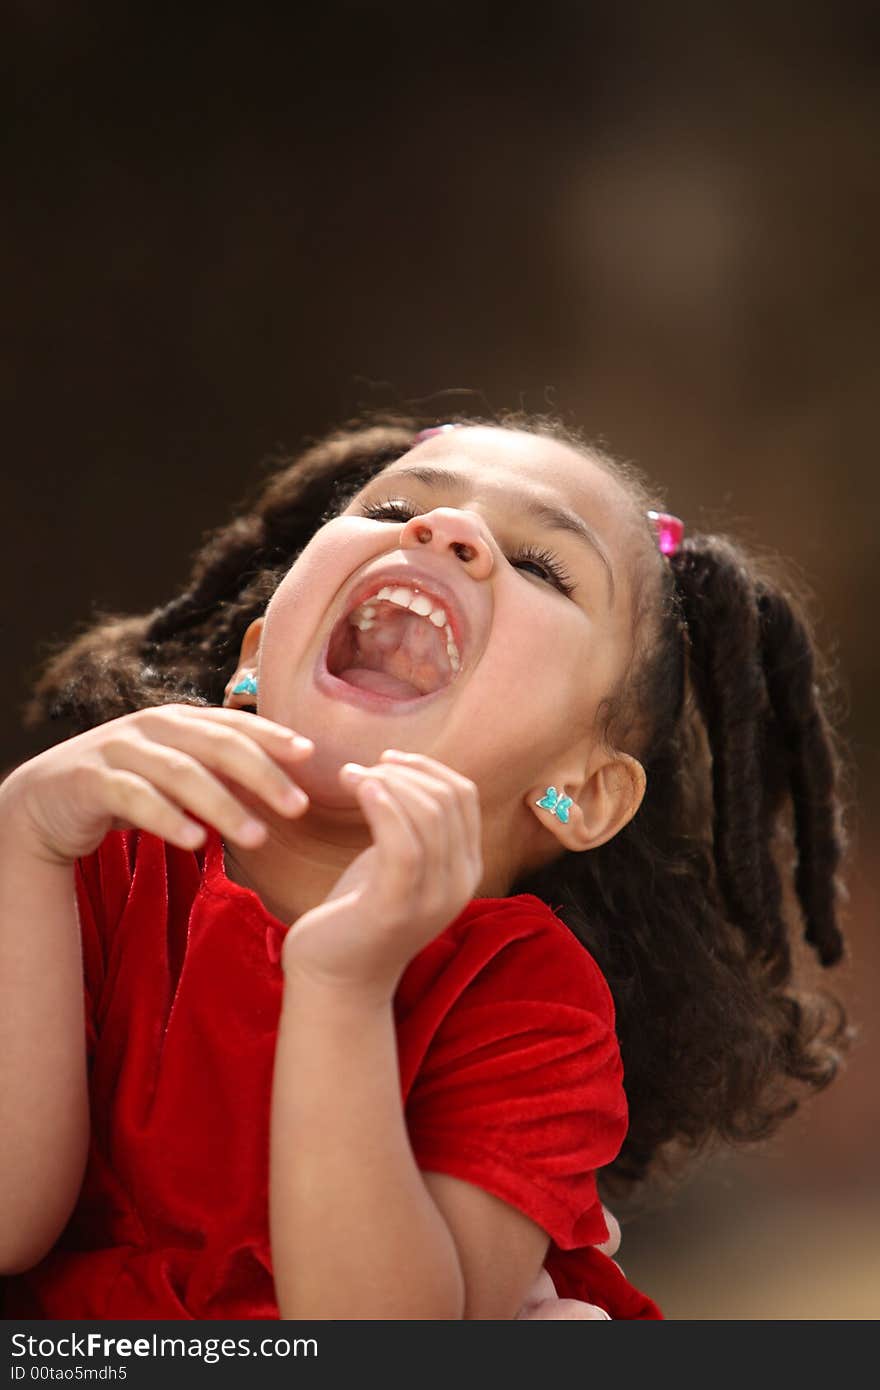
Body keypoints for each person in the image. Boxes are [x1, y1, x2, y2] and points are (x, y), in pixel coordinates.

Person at [0, 415, 850, 1320]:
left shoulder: (531, 1003)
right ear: (254, 662)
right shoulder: (95, 864)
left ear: (586, 792)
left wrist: (343, 986)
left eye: (540, 567)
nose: (445, 532)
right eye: (399, 505)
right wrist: (22, 837)